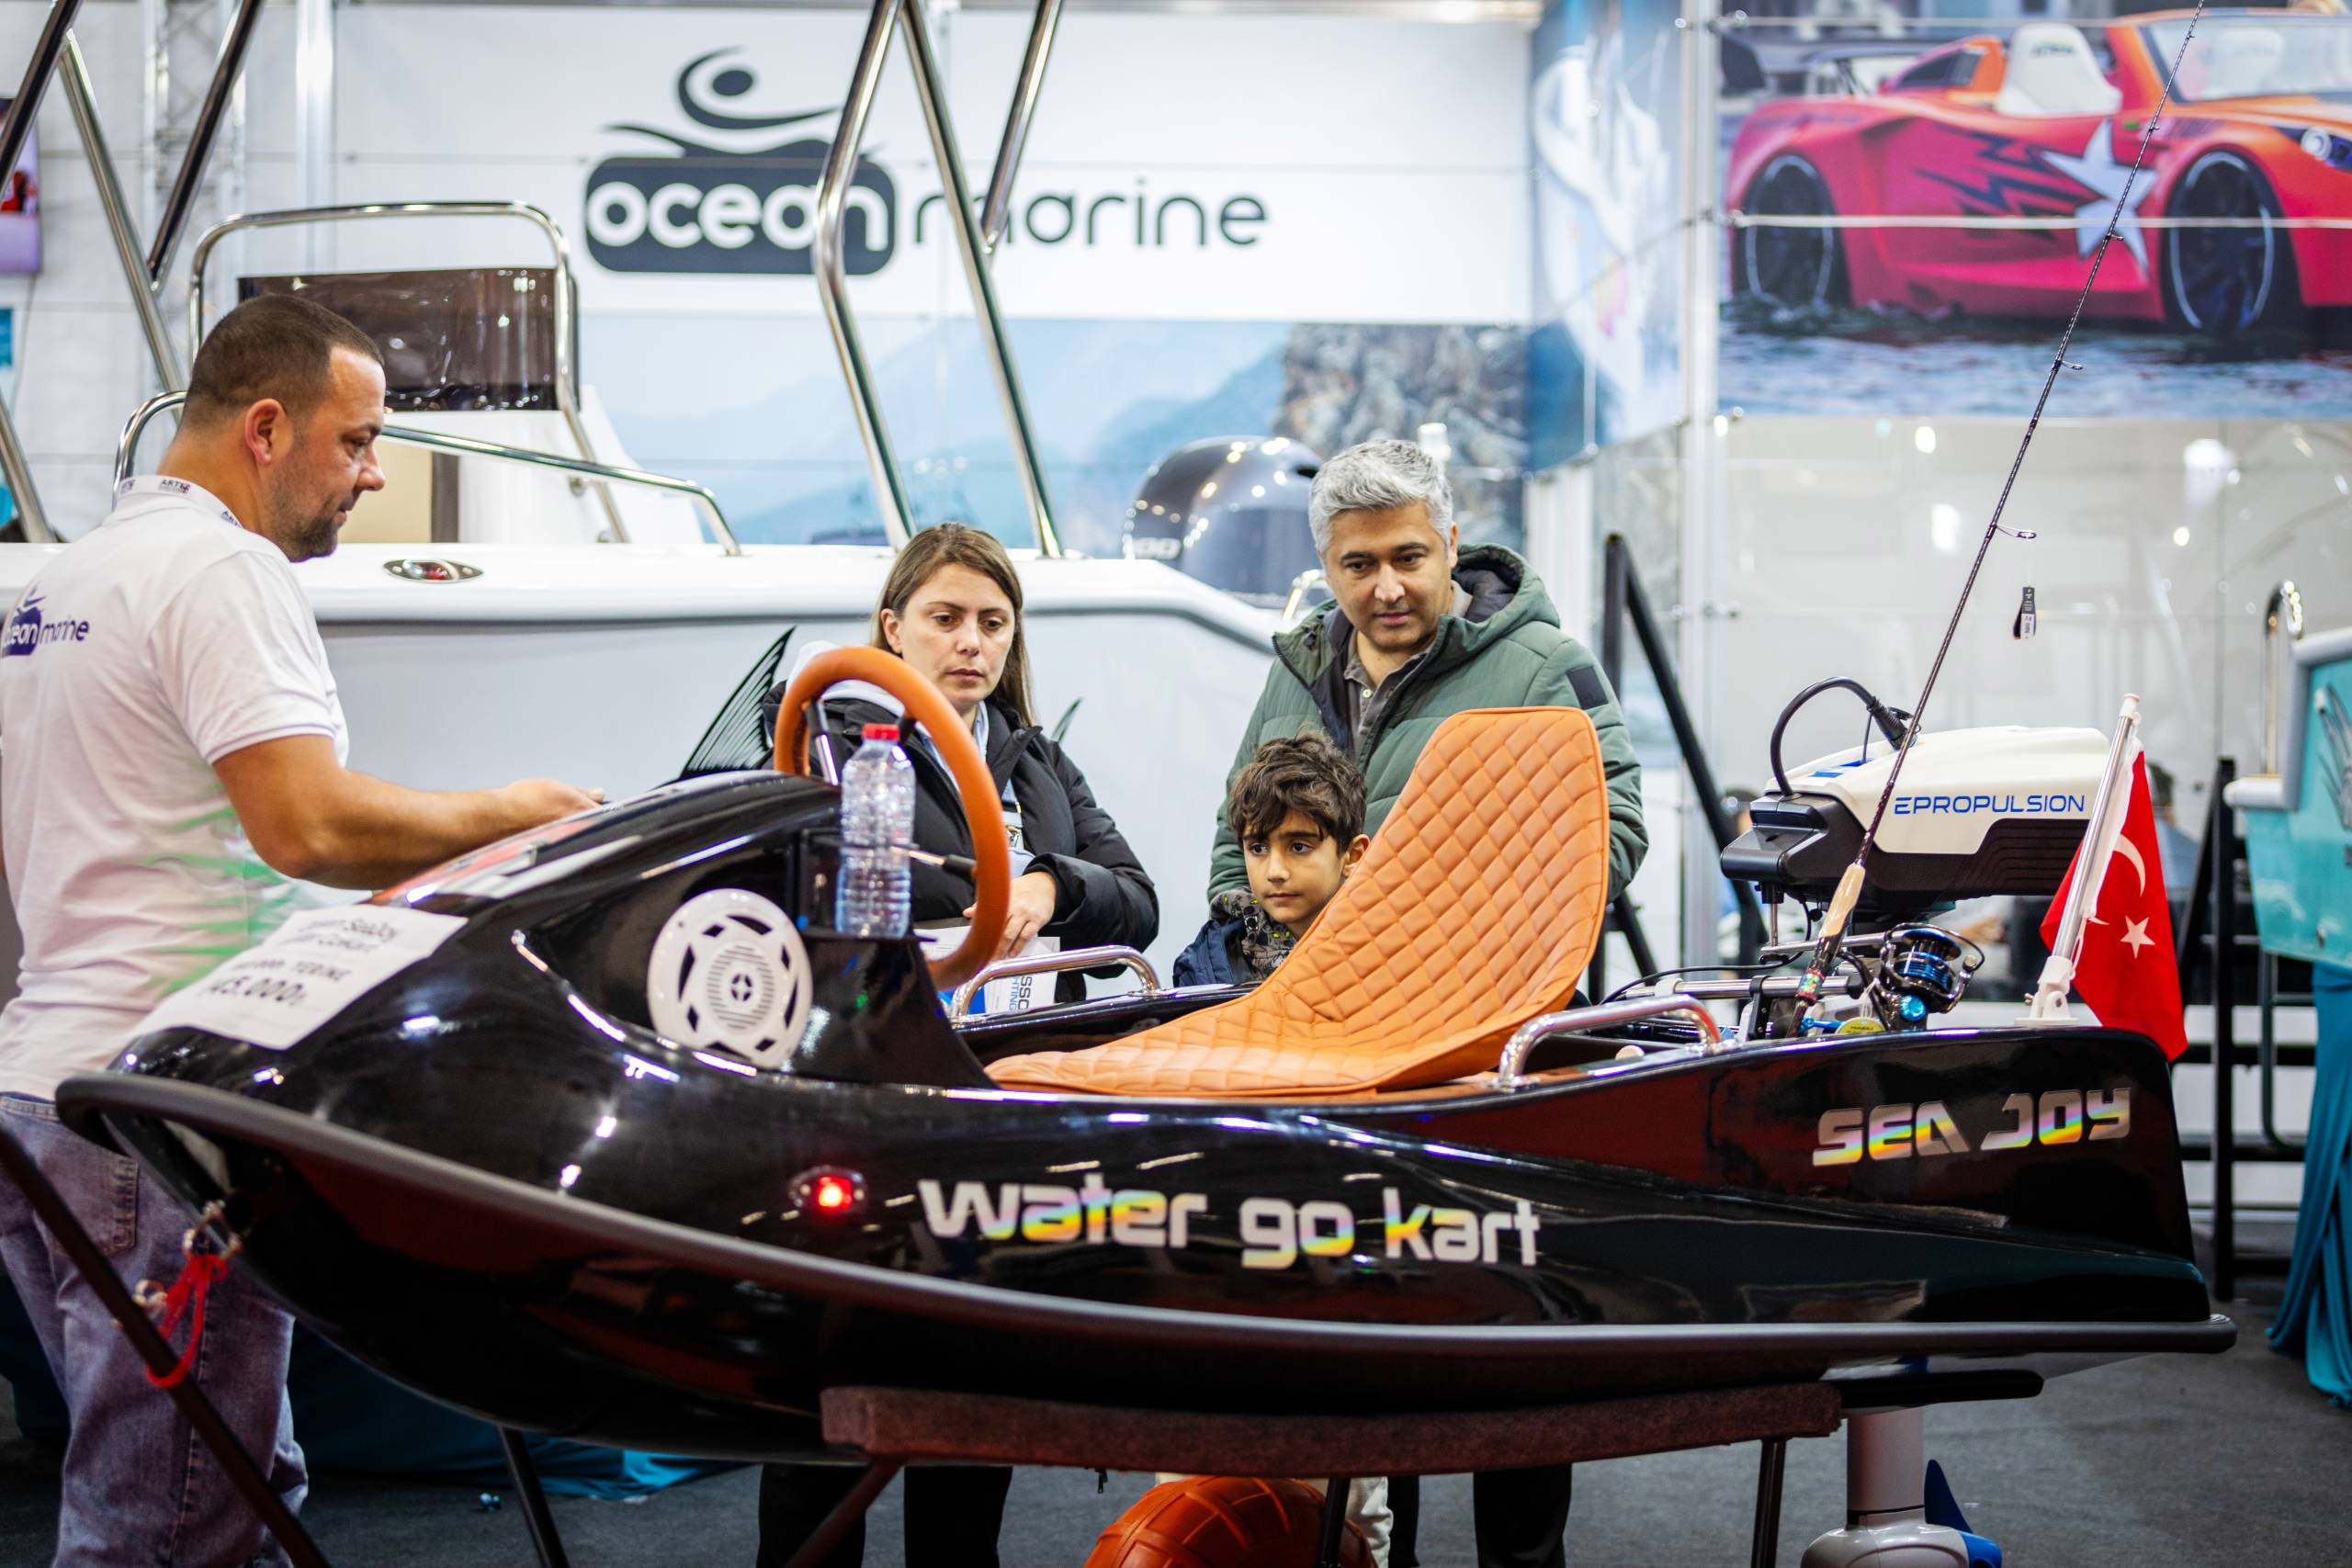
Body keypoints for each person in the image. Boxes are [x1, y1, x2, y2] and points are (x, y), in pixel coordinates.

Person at [0, 294, 600, 1566]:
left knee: (215, 1490)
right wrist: (517, 819)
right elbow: (306, 824)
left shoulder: (68, 579)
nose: (373, 475)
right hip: (155, 1114)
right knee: (171, 1529)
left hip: (48, 1100)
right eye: (358, 440)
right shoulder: (222, 569)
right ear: (266, 428)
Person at [1207, 439, 1645, 1568]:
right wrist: (1270, 944)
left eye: (1408, 556)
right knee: (1367, 1334)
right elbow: (1235, 835)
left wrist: (1438, 937)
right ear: (1327, 566)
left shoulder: (1541, 665)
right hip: (1330, 1063)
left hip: (1489, 1065)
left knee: (1510, 1332)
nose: (1387, 587)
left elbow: (1612, 838)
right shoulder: (1299, 669)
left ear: (1451, 544)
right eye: (1359, 565)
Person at [756, 522, 1156, 1568]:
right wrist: (991, 889)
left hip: (1003, 1094)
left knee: (974, 1400)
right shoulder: (838, 733)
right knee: (830, 1396)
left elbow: (1136, 899)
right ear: (894, 627)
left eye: (992, 621)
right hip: (870, 1089)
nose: (971, 642)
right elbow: (856, 877)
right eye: (945, 618)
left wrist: (1049, 883)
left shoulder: (1035, 759)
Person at [1175, 734, 1369, 987]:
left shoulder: (1392, 951)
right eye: (1258, 848)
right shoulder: (1209, 965)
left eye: (1299, 847)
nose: (1275, 872)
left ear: (1352, 856)